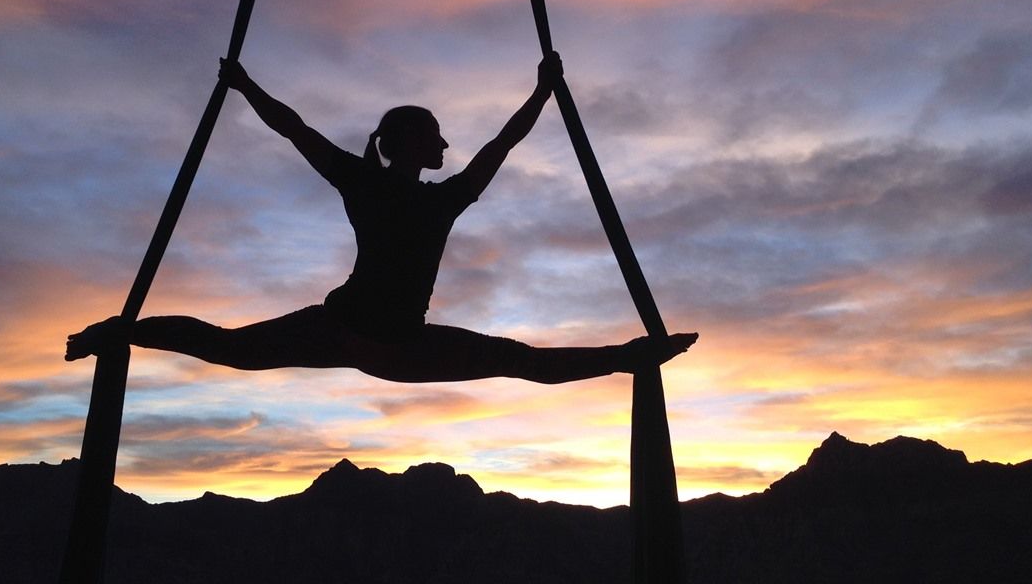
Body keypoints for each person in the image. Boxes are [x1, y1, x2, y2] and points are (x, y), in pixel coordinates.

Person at [66, 53, 696, 384]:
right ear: (412, 144)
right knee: (521, 361)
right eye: (437, 136)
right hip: (362, 334)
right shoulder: (416, 193)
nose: (447, 146)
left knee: (520, 360)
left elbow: (298, 131)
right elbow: (297, 130)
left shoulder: (397, 188)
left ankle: (633, 356)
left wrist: (543, 94)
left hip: (379, 338)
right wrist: (242, 85)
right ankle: (118, 331)